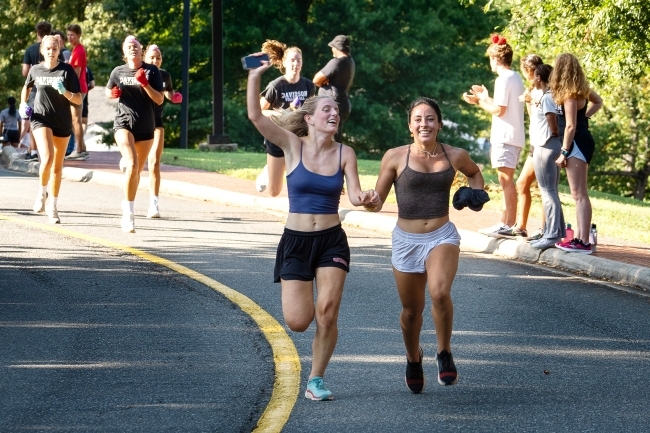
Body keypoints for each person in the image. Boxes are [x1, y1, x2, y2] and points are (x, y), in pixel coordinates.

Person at [246, 52, 375, 401]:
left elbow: (355, 195)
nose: (334, 113)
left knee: (328, 312)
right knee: (299, 321)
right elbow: (256, 115)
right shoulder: (292, 145)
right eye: (327, 110)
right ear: (310, 118)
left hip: (332, 240)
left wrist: (368, 199)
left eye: (336, 110)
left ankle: (316, 379)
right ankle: (313, 366)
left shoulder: (345, 153)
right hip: (296, 241)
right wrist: (256, 75)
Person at [364, 97, 486, 393]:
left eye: (430, 118)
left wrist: (475, 194)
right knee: (411, 311)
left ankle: (443, 352)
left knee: (440, 292)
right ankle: (413, 357)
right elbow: (377, 203)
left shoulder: (455, 155)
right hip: (406, 242)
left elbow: (475, 174)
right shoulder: (394, 157)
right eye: (418, 119)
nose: (424, 124)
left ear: (439, 124)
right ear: (410, 126)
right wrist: (370, 201)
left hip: (441, 235)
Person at [463, 34, 525, 237]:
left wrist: (479, 102)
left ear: (496, 59)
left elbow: (499, 110)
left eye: (490, 58)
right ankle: (506, 222)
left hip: (505, 136)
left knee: (505, 180)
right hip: (513, 135)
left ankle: (508, 224)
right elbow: (501, 106)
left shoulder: (502, 79)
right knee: (507, 179)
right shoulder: (515, 77)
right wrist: (484, 97)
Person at [20, 35, 82, 223]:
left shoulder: (67, 71)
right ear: (42, 50)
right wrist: (23, 103)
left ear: (59, 50)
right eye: (48, 48)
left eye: (55, 48)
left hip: (62, 121)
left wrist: (65, 92)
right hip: (40, 118)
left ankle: (53, 206)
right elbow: (27, 87)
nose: (51, 52)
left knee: (57, 167)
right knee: (46, 158)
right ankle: (41, 192)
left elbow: (78, 99)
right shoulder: (36, 70)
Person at [106, 35, 163, 233]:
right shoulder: (118, 71)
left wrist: (145, 84)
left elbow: (159, 99)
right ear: (124, 51)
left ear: (141, 50)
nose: (132, 48)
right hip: (123, 123)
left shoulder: (152, 71)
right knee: (131, 164)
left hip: (146, 126)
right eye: (129, 46)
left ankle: (127, 198)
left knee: (136, 172)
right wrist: (111, 94)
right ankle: (129, 213)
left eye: (136, 46)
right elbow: (108, 90)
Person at [551, 53, 603, 254]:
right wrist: (586, 118)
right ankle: (580, 238)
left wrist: (564, 152)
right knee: (578, 193)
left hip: (576, 144)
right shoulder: (581, 90)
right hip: (581, 141)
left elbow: (571, 125)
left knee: (579, 194)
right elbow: (598, 102)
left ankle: (583, 241)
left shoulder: (571, 95)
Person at [254, 40, 316, 196]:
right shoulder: (276, 85)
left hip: (298, 136)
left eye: (299, 60)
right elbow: (258, 110)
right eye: (292, 60)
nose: (296, 63)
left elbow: (312, 109)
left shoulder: (308, 86)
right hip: (277, 136)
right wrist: (276, 114)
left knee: (303, 174)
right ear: (285, 63)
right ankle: (269, 169)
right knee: (274, 192)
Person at [497, 54, 545, 240]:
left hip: (543, 143)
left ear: (528, 71)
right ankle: (522, 226)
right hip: (536, 142)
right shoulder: (532, 89)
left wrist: (530, 101)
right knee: (523, 183)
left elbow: (543, 116)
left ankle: (544, 228)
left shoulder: (543, 89)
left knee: (542, 187)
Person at [527, 64, 566, 250]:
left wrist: (554, 133)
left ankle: (550, 234)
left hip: (546, 145)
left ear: (538, 77)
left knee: (548, 191)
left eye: (534, 76)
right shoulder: (551, 96)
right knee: (552, 191)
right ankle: (557, 231)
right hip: (550, 145)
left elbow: (553, 122)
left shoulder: (548, 97)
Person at [143, 44, 183, 218]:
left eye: (158, 57)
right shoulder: (139, 73)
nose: (155, 60)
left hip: (156, 121)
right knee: (135, 162)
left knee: (154, 162)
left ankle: (154, 204)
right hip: (139, 121)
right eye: (152, 57)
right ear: (145, 58)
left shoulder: (165, 75)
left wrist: (173, 96)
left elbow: (167, 91)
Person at [21, 21, 56, 162]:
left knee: (34, 120)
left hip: (35, 89)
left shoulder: (30, 50)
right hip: (52, 87)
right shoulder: (54, 48)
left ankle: (34, 151)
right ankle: (50, 151)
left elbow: (25, 71)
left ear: (37, 34)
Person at [312, 35, 355, 144]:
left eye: (332, 47)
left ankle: (335, 161)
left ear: (337, 47)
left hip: (332, 106)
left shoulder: (337, 62)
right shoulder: (350, 62)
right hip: (341, 105)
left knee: (330, 141)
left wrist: (324, 81)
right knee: (332, 139)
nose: (332, 49)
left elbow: (316, 79)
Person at [64, 24, 88, 160]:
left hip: (78, 88)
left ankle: (79, 150)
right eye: (68, 34)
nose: (69, 37)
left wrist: (69, 90)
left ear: (79, 35)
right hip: (79, 88)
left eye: (72, 34)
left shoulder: (79, 50)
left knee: (75, 119)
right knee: (75, 119)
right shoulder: (75, 50)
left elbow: (77, 74)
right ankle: (82, 148)